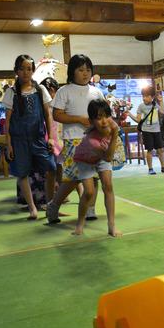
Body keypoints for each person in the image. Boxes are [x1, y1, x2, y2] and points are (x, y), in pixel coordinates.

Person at [46, 54, 103, 224]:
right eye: (80, 70)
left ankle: (91, 208)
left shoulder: (96, 91)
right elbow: (57, 115)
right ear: (72, 72)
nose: (85, 73)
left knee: (94, 176)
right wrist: (79, 119)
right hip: (73, 140)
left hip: (94, 140)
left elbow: (104, 114)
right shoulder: (64, 91)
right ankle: (54, 205)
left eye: (88, 70)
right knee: (72, 179)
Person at [3, 55, 56, 220]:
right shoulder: (11, 93)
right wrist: (9, 144)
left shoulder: (40, 90)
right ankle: (32, 207)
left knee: (51, 168)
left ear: (33, 70)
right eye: (22, 69)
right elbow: (8, 122)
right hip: (19, 140)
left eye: (29, 69)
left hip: (39, 138)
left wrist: (51, 138)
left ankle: (50, 204)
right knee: (22, 173)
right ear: (16, 71)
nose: (26, 72)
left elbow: (48, 116)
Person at [72, 99, 121, 237]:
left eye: (106, 116)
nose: (104, 121)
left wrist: (114, 133)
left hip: (102, 156)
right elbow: (108, 157)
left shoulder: (111, 125)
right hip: (85, 159)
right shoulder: (91, 140)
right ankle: (79, 224)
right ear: (91, 121)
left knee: (108, 186)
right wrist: (115, 134)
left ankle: (111, 225)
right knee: (89, 192)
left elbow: (107, 156)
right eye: (99, 118)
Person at [129, 86, 164, 175]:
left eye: (146, 96)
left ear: (152, 97)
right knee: (149, 150)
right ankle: (150, 169)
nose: (143, 98)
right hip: (146, 131)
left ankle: (163, 167)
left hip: (157, 130)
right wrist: (130, 114)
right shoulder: (141, 106)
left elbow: (162, 112)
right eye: (143, 96)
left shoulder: (155, 104)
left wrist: (161, 101)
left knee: (161, 149)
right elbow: (138, 120)